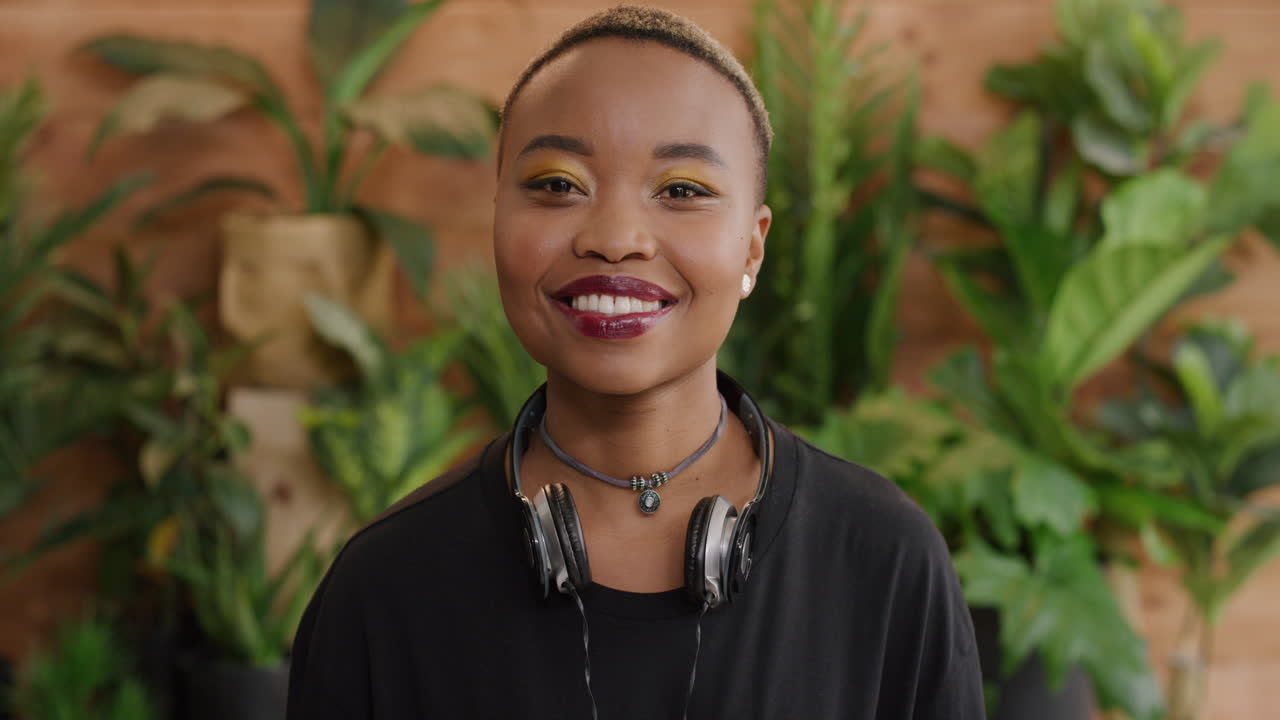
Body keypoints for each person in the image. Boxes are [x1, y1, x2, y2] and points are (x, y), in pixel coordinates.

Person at [287, 6, 983, 718]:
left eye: (683, 190)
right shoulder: (387, 586)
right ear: (498, 217)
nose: (616, 238)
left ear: (752, 246)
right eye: (559, 184)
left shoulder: (884, 562)